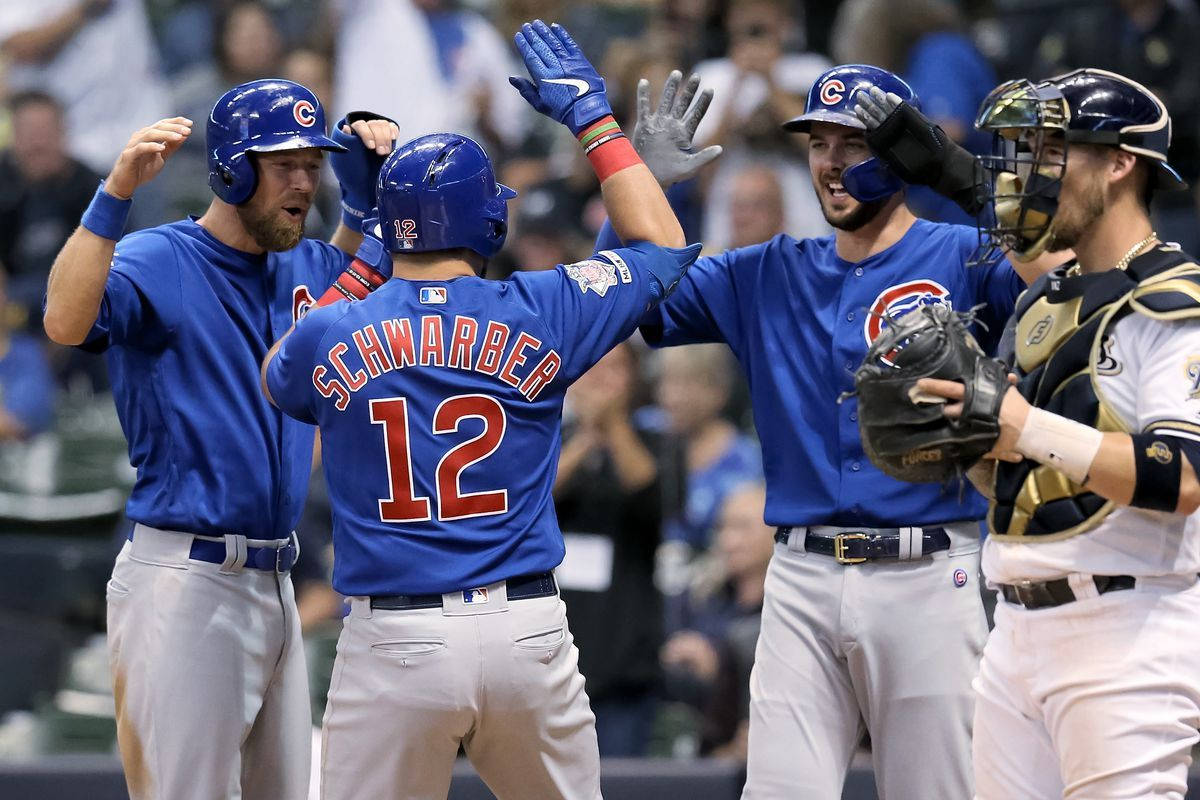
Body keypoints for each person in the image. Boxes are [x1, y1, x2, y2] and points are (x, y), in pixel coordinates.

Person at [261, 20, 698, 800]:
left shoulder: (335, 326)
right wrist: (595, 123)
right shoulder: (539, 305)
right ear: (486, 220)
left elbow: (277, 375)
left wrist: (365, 256)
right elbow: (659, 243)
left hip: (395, 638)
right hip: (522, 629)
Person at [605, 63, 1054, 798]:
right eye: (819, 141)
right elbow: (617, 307)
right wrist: (637, 185)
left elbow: (1059, 281)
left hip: (932, 570)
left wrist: (959, 174)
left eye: (856, 142)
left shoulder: (960, 254)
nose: (832, 161)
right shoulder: (765, 271)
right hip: (801, 577)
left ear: (904, 155)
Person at [41, 78, 400, 800]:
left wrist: (370, 197)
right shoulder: (162, 258)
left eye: (312, 164)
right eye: (284, 166)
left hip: (275, 582)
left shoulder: (308, 264)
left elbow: (364, 281)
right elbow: (64, 322)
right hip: (185, 581)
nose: (304, 182)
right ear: (233, 168)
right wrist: (111, 198)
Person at [915, 68, 1200, 800]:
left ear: (1119, 162)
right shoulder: (1046, 297)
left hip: (1126, 632)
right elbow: (1020, 476)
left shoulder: (1175, 302)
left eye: (1049, 153)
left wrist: (1027, 426)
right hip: (1013, 624)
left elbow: (1184, 479)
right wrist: (976, 447)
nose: (1026, 176)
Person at [554, 341, 663, 757]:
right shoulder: (550, 437)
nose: (601, 380)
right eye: (591, 368)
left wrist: (614, 428)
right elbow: (530, 501)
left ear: (636, 379)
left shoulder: (657, 441)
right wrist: (586, 440)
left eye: (614, 369)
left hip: (624, 669)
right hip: (551, 659)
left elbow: (653, 499)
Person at [0, 91, 102, 328]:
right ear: (13, 137)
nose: (38, 144)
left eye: (45, 133)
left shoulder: (95, 190)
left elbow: (119, 260)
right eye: (28, 134)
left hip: (81, 307)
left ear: (63, 134)